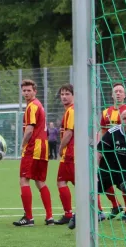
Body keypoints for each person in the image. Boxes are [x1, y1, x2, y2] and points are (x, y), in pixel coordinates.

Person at [13, 79, 53, 227]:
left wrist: (22, 145)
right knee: (40, 181)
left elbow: (29, 130)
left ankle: (28, 218)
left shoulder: (32, 107)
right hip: (43, 146)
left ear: (35, 91)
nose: (26, 93)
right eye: (24, 90)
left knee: (24, 180)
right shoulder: (39, 105)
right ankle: (49, 217)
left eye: (29, 90)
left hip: (33, 147)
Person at [100, 83, 126, 222]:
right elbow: (102, 131)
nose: (118, 93)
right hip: (108, 152)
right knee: (103, 180)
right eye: (116, 92)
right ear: (112, 95)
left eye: (121, 91)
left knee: (125, 183)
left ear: (125, 95)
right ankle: (115, 205)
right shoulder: (105, 112)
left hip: (122, 152)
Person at [53, 84, 75, 227]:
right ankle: (97, 211)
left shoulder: (71, 111)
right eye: (62, 94)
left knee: (62, 182)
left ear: (73, 95)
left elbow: (69, 132)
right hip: (73, 153)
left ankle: (68, 214)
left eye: (67, 93)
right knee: (75, 182)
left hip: (70, 153)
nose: (64, 97)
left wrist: (61, 147)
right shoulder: (70, 110)